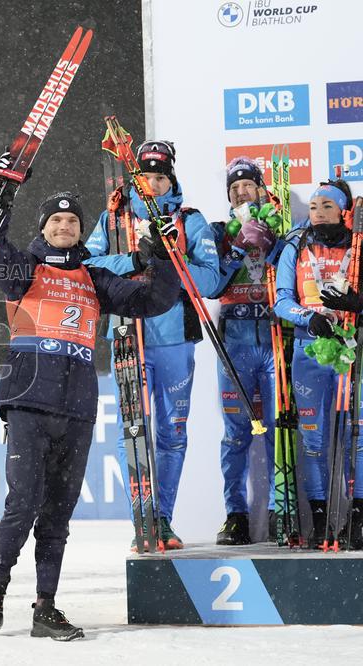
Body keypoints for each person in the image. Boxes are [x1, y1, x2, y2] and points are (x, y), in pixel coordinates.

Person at [0, 191, 180, 640]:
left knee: (57, 516)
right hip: (28, 403)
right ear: (43, 227)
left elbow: (155, 300)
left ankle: (45, 607)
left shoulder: (96, 277)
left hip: (77, 409)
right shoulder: (25, 269)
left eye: (72, 219)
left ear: (80, 230)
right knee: (22, 503)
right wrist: (3, 191)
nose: (64, 225)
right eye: (56, 219)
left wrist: (162, 254)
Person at [84, 140, 221, 549]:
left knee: (172, 432)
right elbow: (87, 265)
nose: (153, 184)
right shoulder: (112, 219)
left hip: (175, 337)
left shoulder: (190, 221)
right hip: (127, 333)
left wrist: (171, 261)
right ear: (135, 179)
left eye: (160, 177)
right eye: (145, 176)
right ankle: (141, 521)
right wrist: (134, 261)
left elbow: (212, 282)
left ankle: (162, 519)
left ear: (171, 179)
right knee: (133, 430)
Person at [274, 179, 363, 549]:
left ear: (343, 211)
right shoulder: (296, 244)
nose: (318, 213)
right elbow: (280, 299)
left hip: (349, 349)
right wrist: (306, 317)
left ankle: (356, 520)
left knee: (353, 439)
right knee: (313, 440)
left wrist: (356, 305)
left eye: (327, 206)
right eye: (313, 207)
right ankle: (323, 518)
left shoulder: (357, 246)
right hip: (309, 351)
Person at [209, 157, 281, 545]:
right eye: (234, 189)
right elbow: (211, 286)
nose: (241, 192)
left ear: (261, 188)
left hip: (271, 334)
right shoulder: (219, 231)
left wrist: (271, 245)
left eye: (247, 186)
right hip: (235, 336)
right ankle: (235, 515)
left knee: (275, 432)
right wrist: (237, 248)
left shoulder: (280, 222)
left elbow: (290, 274)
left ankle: (277, 511)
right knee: (235, 435)